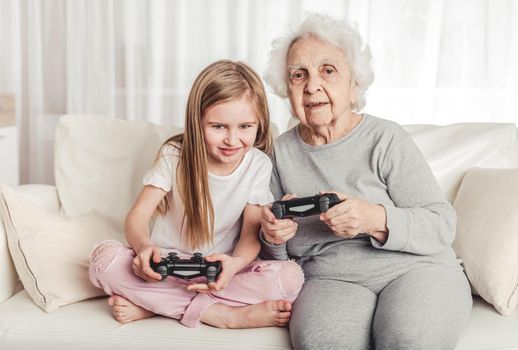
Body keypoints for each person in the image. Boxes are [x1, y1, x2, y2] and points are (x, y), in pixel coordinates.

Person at [259, 14, 472, 349]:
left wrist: (374, 219)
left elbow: (442, 224)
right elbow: (274, 256)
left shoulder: (386, 138)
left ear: (354, 84)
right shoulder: (277, 153)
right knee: (323, 342)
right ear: (287, 89)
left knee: (409, 339)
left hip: (416, 270)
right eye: (299, 74)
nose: (312, 85)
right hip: (329, 278)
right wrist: (273, 236)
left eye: (327, 70)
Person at [89, 60, 304, 329]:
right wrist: (144, 247)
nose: (232, 140)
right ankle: (219, 314)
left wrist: (235, 264)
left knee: (289, 278)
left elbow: (249, 237)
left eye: (245, 127)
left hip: (220, 271)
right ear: (197, 121)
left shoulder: (258, 164)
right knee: (103, 261)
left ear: (260, 123)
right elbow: (139, 215)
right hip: (166, 267)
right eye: (218, 127)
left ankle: (157, 306)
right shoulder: (174, 156)